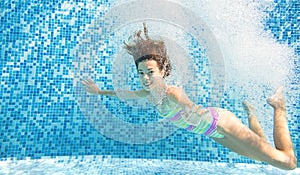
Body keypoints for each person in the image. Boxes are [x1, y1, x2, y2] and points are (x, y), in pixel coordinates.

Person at [81, 23, 297, 170]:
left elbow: (192, 109)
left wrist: (187, 108)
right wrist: (100, 91)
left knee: (288, 163)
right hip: (213, 132)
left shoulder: (172, 93)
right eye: (141, 74)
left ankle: (279, 106)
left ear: (163, 71)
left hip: (221, 124)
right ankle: (252, 113)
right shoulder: (149, 93)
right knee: (262, 157)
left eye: (151, 72)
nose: (146, 79)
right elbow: (125, 95)